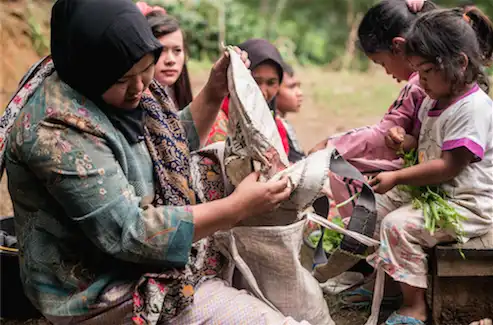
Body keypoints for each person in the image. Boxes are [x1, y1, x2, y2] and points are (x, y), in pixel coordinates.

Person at [1, 0, 314, 323]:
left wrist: (212, 91)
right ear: (89, 69)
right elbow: (130, 232)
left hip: (141, 257)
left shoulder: (113, 79)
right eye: (124, 80)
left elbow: (168, 148)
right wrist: (237, 208)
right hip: (99, 290)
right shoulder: (54, 131)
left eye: (145, 68)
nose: (139, 87)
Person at [367, 7, 493, 324]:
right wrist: (403, 140)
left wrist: (397, 176)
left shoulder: (473, 108)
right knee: (374, 207)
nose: (419, 82)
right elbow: (426, 143)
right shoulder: (433, 99)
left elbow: (449, 165)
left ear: (460, 64)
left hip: (466, 205)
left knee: (398, 225)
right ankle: (389, 286)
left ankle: (414, 307)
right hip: (436, 195)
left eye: (424, 72)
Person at [206, 38, 290, 156]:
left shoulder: (277, 127)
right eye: (255, 81)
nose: (262, 91)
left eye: (271, 83)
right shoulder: (214, 120)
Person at [137, 2, 193, 110]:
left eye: (177, 50)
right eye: (161, 51)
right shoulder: (134, 102)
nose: (171, 60)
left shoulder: (177, 95)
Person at [277, 62, 305, 163]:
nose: (299, 93)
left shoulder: (284, 124)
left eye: (298, 86)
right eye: (291, 87)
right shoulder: (273, 129)